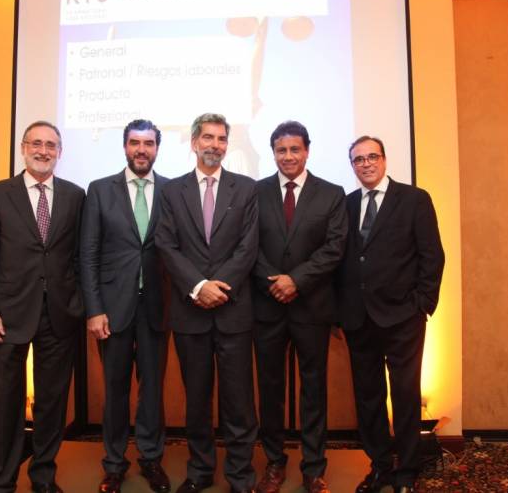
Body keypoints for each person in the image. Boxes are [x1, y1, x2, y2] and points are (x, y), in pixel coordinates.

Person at [0, 121, 85, 493]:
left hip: (60, 315)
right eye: (36, 143)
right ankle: (1, 481)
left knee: (52, 403)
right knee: (6, 402)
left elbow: (79, 255)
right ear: (23, 148)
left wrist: (79, 303)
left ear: (60, 152)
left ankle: (43, 475)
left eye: (51, 145)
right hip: (7, 315)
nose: (43, 150)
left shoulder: (75, 196)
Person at [155, 113, 258, 493]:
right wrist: (199, 286)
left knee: (239, 401)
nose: (215, 145)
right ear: (194, 142)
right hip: (190, 313)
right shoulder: (172, 191)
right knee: (197, 400)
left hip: (234, 311)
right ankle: (199, 472)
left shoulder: (246, 189)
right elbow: (166, 244)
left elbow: (248, 246)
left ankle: (240, 476)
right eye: (208, 138)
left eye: (221, 139)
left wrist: (220, 287)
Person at [336, 136, 444, 493]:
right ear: (352, 165)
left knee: (405, 395)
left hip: (403, 318)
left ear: (383, 160)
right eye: (358, 159)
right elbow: (341, 260)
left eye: (372, 157)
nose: (366, 164)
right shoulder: (346, 204)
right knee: (368, 398)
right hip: (358, 318)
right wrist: (339, 311)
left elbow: (432, 256)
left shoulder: (414, 199)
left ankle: (407, 470)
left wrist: (422, 304)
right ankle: (380, 466)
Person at [253, 121, 347, 493]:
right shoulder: (255, 192)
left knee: (313, 390)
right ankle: (274, 463)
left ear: (307, 150)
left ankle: (313, 467)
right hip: (268, 307)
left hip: (312, 307)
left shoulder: (332, 194)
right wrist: (274, 282)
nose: (288, 156)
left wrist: (296, 280)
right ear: (273, 153)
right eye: (281, 150)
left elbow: (334, 248)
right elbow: (246, 245)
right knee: (270, 390)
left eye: (295, 149)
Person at [80, 120, 170, 493]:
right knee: (115, 389)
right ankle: (114, 464)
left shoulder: (172, 190)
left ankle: (151, 459)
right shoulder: (100, 190)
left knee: (153, 390)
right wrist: (94, 309)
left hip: (157, 308)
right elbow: (88, 254)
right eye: (135, 143)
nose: (141, 150)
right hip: (112, 309)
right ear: (124, 147)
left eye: (148, 143)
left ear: (157, 148)